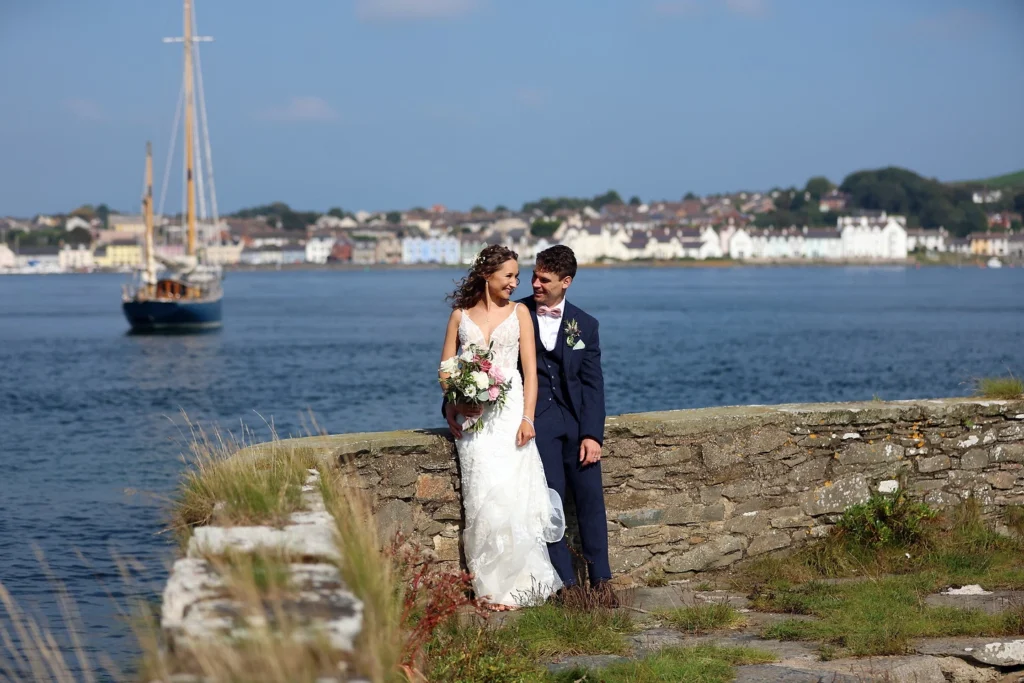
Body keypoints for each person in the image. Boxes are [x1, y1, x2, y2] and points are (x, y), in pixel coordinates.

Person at [440, 245, 565, 609]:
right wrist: (454, 402)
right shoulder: (459, 317)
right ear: (486, 275)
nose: (516, 282)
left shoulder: (520, 313)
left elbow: (530, 373)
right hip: (476, 421)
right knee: (482, 499)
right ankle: (490, 589)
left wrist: (528, 418)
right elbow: (447, 371)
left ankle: (525, 585)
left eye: (516, 275)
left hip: (511, 416)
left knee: (515, 499)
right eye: (508, 275)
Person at [518, 245, 615, 606]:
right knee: (549, 503)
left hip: (576, 425)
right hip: (537, 425)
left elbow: (593, 383)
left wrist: (592, 434)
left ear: (566, 282)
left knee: (590, 501)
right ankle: (567, 586)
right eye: (534, 276)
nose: (535, 284)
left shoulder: (585, 324)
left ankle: (602, 581)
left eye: (544, 279)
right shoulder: (518, 313)